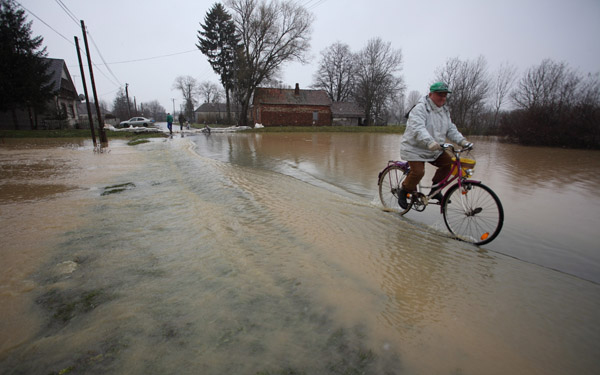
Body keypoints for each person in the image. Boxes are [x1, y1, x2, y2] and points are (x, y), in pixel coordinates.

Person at [398, 82, 472, 209]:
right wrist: (429, 142)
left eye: (444, 95)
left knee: (449, 162)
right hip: (414, 149)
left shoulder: (444, 111)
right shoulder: (420, 109)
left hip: (435, 149)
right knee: (418, 172)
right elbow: (418, 128)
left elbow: (450, 129)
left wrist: (463, 141)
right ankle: (403, 191)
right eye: (439, 95)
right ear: (431, 94)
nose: (442, 98)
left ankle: (435, 191)